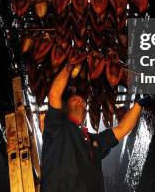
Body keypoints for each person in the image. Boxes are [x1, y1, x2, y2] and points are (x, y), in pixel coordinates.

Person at [40, 63, 146, 192]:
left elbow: (122, 129)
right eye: (74, 99)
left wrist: (140, 102)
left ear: (86, 109)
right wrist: (70, 65)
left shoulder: (94, 141)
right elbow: (54, 95)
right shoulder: (57, 129)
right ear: (66, 108)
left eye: (82, 100)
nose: (79, 99)